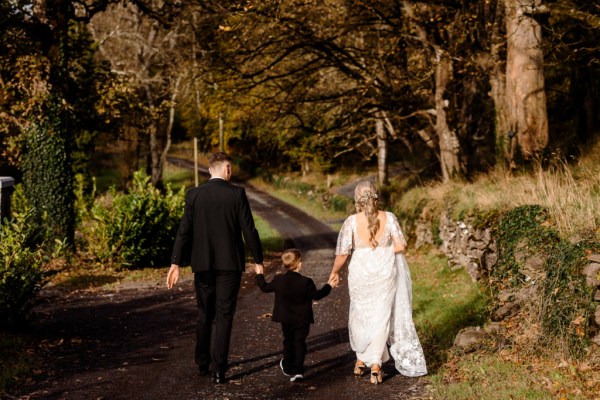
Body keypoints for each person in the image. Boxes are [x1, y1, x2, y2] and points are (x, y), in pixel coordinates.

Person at [166, 152, 264, 384]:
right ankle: (219, 369)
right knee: (224, 315)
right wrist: (258, 260)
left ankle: (202, 362)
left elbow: (184, 231)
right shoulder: (237, 194)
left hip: (202, 265)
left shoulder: (194, 195)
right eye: (231, 168)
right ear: (227, 168)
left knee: (204, 314)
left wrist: (175, 261)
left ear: (210, 170)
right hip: (230, 265)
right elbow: (249, 230)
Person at [328, 180, 427, 384]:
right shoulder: (389, 218)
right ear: (376, 196)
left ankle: (360, 361)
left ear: (357, 198)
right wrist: (384, 252)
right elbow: (401, 245)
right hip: (384, 270)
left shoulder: (351, 221)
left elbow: (343, 253)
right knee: (381, 315)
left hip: (360, 271)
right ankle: (375, 365)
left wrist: (334, 272)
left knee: (360, 313)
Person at [255, 248, 333, 382]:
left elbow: (265, 287)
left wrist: (259, 274)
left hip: (286, 318)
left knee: (288, 341)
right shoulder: (307, 282)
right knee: (300, 343)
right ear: (300, 264)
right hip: (303, 319)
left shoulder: (278, 280)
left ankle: (287, 365)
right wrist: (329, 285)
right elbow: (317, 295)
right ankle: (298, 371)